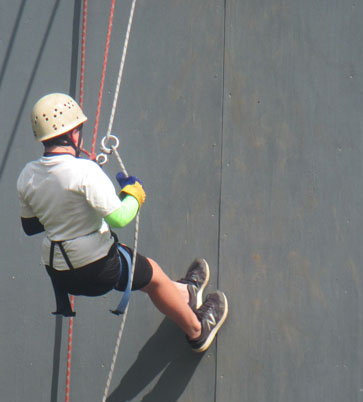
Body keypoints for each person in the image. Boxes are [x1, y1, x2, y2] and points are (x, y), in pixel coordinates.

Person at [17, 92, 228, 353]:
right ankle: (197, 330)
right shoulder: (85, 172)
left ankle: (186, 294)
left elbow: (31, 226)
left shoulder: (27, 174)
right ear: (73, 134)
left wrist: (64, 205)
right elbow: (119, 218)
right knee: (154, 277)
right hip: (97, 268)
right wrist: (134, 195)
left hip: (61, 275)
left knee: (132, 260)